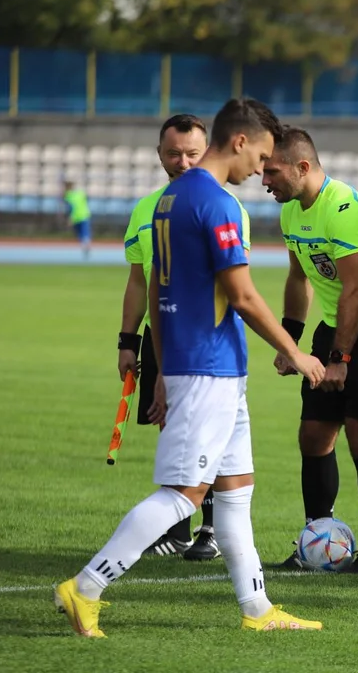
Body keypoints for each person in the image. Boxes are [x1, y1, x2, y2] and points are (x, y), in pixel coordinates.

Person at [54, 97, 326, 637]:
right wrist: (296, 352)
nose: (261, 169)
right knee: (185, 495)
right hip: (208, 369)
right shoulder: (218, 204)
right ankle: (85, 587)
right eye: (262, 155)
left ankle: (257, 610)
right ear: (241, 141)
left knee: (235, 491)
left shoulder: (167, 200)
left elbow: (158, 284)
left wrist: (160, 368)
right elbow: (243, 295)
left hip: (204, 366)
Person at [120, 113, 252, 561]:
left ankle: (211, 536)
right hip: (178, 343)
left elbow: (234, 287)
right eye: (173, 153)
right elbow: (143, 282)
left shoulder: (218, 205)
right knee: (182, 450)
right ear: (159, 153)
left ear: (208, 149)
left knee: (219, 457)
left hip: (203, 346)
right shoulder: (152, 207)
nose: (181, 161)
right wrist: (128, 341)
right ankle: (173, 535)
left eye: (191, 153)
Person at [265, 127, 358, 574]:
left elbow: (356, 290)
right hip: (331, 329)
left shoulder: (342, 208)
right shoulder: (290, 213)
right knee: (314, 435)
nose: (265, 182)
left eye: (272, 172)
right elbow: (299, 278)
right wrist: (289, 342)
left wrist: (341, 359)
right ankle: (315, 541)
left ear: (303, 167)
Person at [62, 181, 91, 258]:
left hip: (76, 217)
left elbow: (71, 208)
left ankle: (85, 248)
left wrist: (70, 219)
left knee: (80, 234)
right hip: (85, 215)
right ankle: (86, 247)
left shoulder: (69, 196)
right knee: (85, 233)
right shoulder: (81, 193)